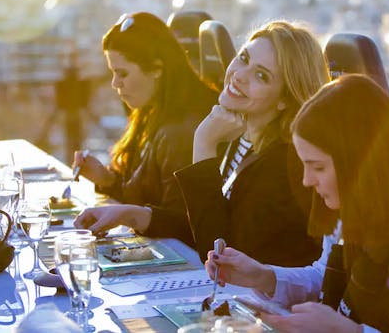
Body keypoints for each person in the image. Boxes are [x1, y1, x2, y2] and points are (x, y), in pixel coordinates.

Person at [205, 74, 389, 332]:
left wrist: (351, 332)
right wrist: (263, 276)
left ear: (356, 163)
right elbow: (327, 278)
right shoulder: (353, 205)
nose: (308, 181)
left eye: (318, 167)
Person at [75, 20, 329, 266]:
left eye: (261, 76)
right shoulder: (242, 137)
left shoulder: (283, 163)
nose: (240, 75)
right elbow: (206, 223)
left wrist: (204, 144)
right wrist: (132, 214)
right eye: (243, 58)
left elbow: (219, 252)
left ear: (284, 98)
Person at [72, 12, 217, 210]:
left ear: (157, 68)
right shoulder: (152, 110)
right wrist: (107, 180)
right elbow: (145, 200)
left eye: (122, 73)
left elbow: (174, 221)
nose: (115, 83)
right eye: (113, 73)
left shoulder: (180, 133)